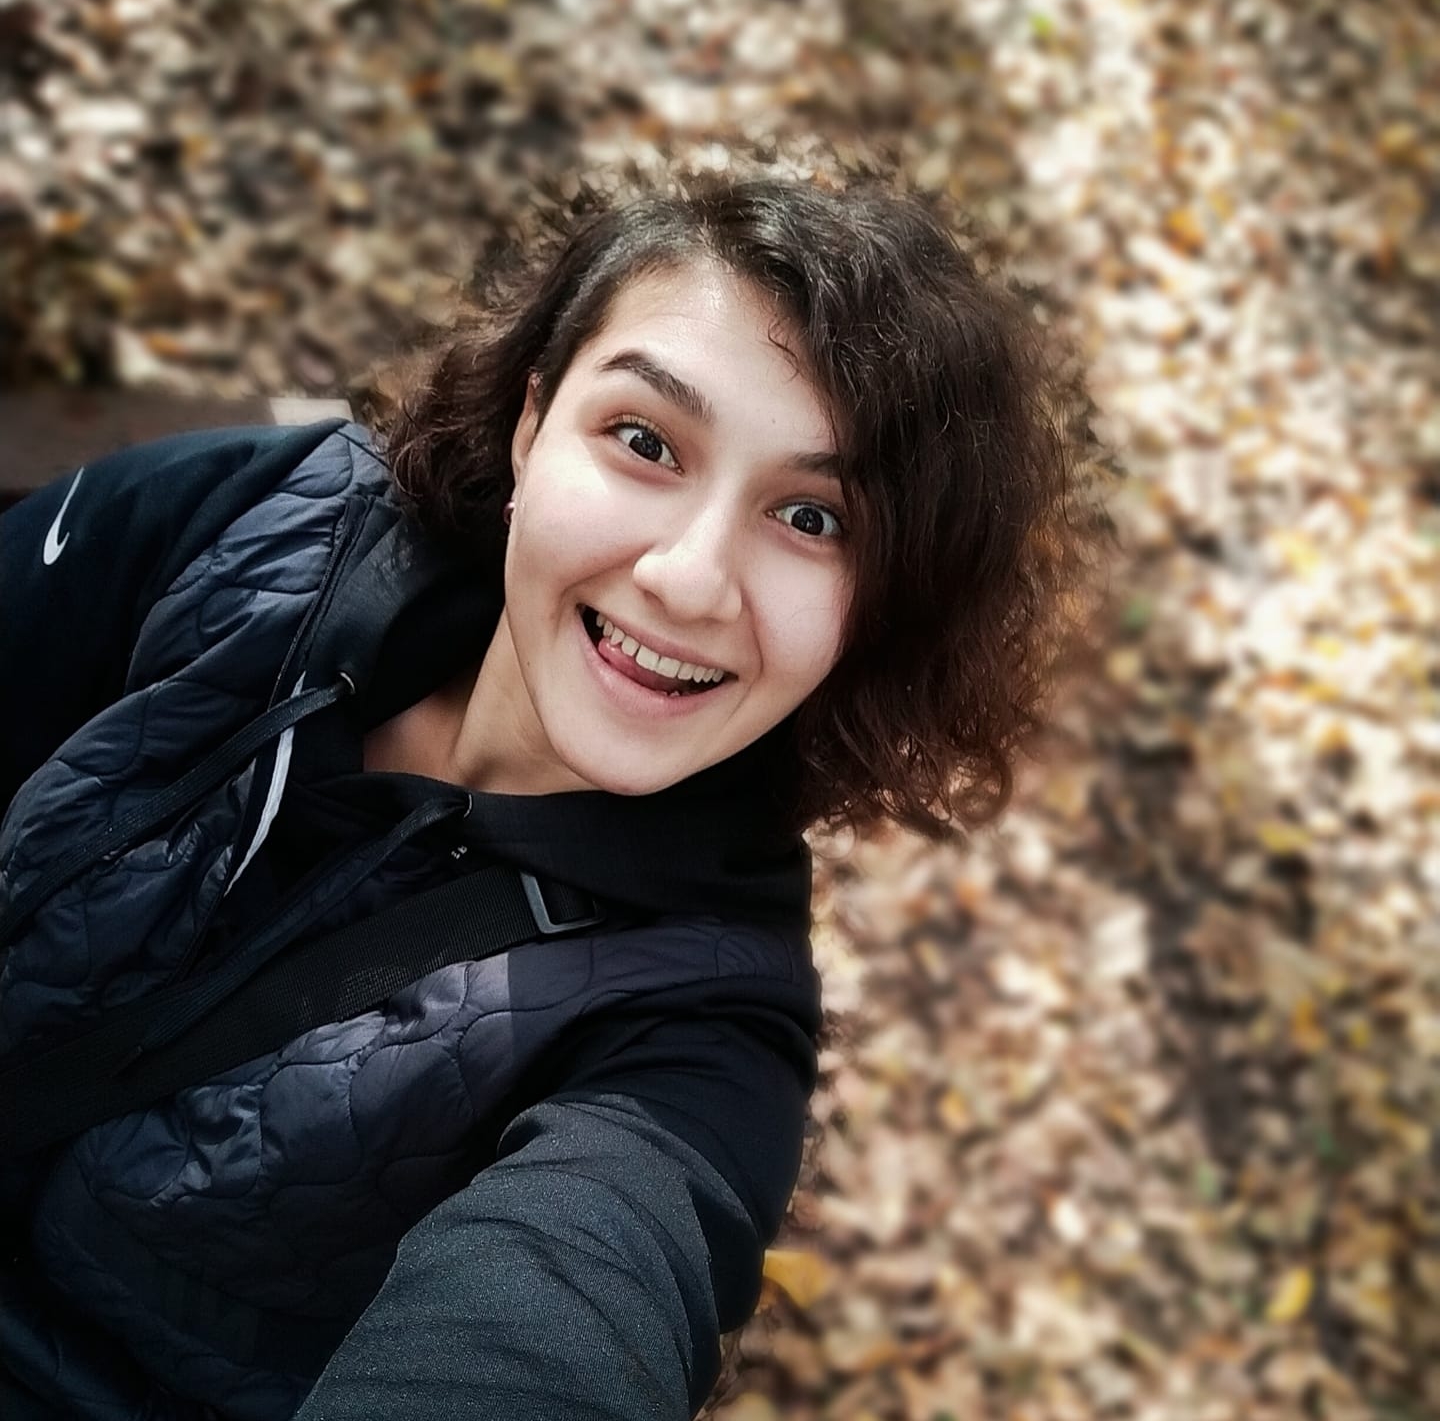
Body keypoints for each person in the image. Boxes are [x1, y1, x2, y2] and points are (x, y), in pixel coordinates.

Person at [0, 173, 1087, 1420]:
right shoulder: (264, 522)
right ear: (532, 421)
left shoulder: (702, 1024)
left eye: (810, 516)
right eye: (645, 441)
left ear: (879, 606)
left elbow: (577, 1288)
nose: (688, 579)